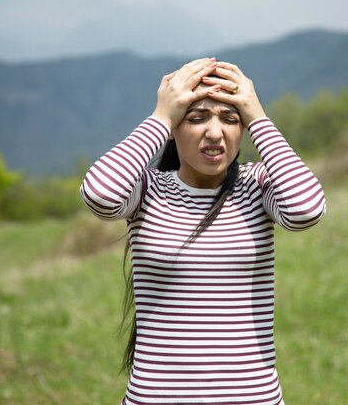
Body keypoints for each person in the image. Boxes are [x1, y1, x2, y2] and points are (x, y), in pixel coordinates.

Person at [80, 57, 326, 405]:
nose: (215, 132)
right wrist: (160, 117)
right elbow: (99, 194)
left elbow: (307, 210)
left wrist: (259, 117)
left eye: (230, 118)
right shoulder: (148, 190)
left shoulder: (257, 185)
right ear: (176, 129)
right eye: (195, 119)